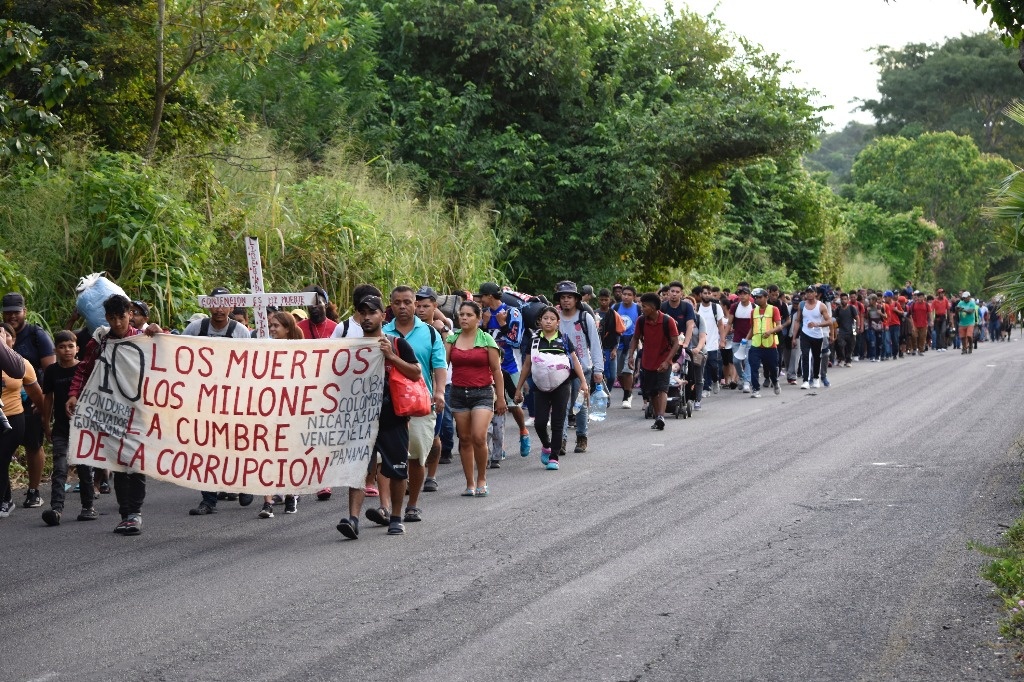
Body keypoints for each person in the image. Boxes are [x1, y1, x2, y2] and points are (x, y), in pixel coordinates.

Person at [66, 295, 162, 535]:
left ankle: (135, 513)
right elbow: (84, 369)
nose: (117, 323)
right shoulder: (100, 341)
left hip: (139, 412)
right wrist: (74, 393)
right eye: (112, 318)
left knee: (136, 462)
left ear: (130, 314)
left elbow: (170, 357)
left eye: (122, 317)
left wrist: (161, 333)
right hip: (111, 411)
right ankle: (125, 513)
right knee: (118, 462)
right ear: (106, 318)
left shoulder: (144, 338)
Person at [336, 295, 421, 538]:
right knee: (359, 469)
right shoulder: (352, 348)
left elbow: (416, 373)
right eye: (362, 313)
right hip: (361, 418)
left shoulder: (396, 343)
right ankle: (353, 519)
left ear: (383, 316)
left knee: (397, 469)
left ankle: (396, 517)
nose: (366, 317)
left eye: (372, 312)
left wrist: (391, 357)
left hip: (392, 416)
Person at [184, 287, 254, 516]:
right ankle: (208, 499)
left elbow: (253, 365)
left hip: (234, 399)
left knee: (237, 444)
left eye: (224, 303)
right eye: (215, 303)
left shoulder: (240, 331)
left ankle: (244, 483)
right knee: (206, 448)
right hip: (204, 399)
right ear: (207, 305)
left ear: (232, 307)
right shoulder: (196, 329)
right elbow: (178, 354)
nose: (219, 308)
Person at [382, 285, 447, 524]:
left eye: (407, 302)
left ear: (414, 304)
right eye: (397, 302)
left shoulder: (429, 333)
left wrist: (439, 392)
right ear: (390, 305)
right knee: (384, 459)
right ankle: (385, 507)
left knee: (417, 456)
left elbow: (439, 366)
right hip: (388, 406)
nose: (402, 307)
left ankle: (412, 504)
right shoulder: (382, 332)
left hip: (421, 403)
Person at [514, 306, 587, 471]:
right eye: (545, 318)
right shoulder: (533, 341)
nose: (548, 321)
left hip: (562, 385)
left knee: (557, 422)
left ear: (557, 322)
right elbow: (527, 365)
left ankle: (554, 456)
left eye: (552, 319)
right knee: (539, 422)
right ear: (540, 321)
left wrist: (583, 382)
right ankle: (546, 445)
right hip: (540, 387)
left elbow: (575, 362)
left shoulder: (565, 339)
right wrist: (519, 388)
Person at [445, 300, 506, 497]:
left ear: (479, 319)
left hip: (483, 393)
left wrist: (501, 398)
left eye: (469, 315)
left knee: (479, 437)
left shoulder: (487, 340)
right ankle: (470, 482)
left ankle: (482, 479)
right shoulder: (452, 340)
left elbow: (497, 371)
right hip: (458, 393)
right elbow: (441, 366)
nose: (464, 317)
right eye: (461, 314)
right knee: (464, 439)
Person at [2, 291, 55, 509]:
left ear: (24, 311)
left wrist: (45, 402)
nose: (12, 317)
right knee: (4, 451)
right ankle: (5, 496)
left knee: (34, 444)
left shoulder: (36, 335)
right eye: (7, 313)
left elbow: (50, 370)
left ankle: (33, 491)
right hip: (6, 402)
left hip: (32, 400)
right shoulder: (1, 334)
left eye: (16, 312)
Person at [40, 331, 96, 525]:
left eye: (70, 346)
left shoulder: (84, 369)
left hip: (83, 427)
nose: (67, 350)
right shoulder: (52, 371)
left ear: (77, 349)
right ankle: (56, 509)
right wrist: (46, 423)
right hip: (61, 428)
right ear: (55, 349)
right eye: (62, 347)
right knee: (60, 468)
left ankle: (88, 507)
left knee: (84, 467)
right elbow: (48, 398)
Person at [257, 311, 304, 519]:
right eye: (271, 325)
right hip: (268, 407)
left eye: (276, 325)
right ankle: (267, 502)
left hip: (292, 408)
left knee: (290, 453)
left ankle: (291, 493)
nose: (273, 329)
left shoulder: (302, 350)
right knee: (266, 452)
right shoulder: (265, 347)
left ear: (287, 328)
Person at [476, 282, 530, 463]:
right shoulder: (483, 314)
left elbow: (516, 341)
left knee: (514, 405)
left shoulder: (512, 312)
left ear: (490, 296)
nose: (480, 300)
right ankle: (500, 446)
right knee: (495, 406)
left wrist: (503, 324)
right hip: (488, 366)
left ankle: (523, 431)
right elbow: (478, 340)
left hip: (510, 365)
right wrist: (483, 325)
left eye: (482, 296)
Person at [0, 323, 44, 518]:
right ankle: (7, 499)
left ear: (13, 339)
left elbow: (36, 394)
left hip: (13, 418)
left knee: (1, 458)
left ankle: (4, 500)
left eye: (5, 335)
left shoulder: (21, 363)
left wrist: (45, 415)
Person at [412, 286, 453, 494]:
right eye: (417, 305)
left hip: (435, 389)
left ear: (434, 307)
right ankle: (410, 476)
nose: (420, 310)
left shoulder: (443, 329)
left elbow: (443, 361)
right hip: (410, 392)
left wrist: (443, 328)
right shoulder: (408, 329)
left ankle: (432, 475)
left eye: (426, 306)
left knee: (435, 436)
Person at [555, 281, 603, 452]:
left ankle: (582, 437)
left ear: (576, 299)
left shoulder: (585, 318)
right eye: (563, 297)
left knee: (580, 405)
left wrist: (598, 369)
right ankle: (561, 440)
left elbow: (595, 344)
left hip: (583, 368)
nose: (566, 300)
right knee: (562, 405)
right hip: (560, 368)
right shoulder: (555, 318)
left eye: (569, 297)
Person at [627, 293, 679, 430]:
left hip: (663, 360)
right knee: (651, 391)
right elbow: (635, 338)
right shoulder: (641, 321)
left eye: (643, 306)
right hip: (647, 360)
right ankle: (658, 417)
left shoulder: (668, 321)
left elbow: (676, 344)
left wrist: (668, 361)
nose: (641, 308)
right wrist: (631, 355)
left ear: (653, 307)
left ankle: (661, 416)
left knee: (662, 388)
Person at [790, 286, 831, 389]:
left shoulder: (821, 306)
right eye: (807, 292)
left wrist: (817, 324)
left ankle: (816, 379)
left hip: (817, 335)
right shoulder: (802, 305)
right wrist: (794, 337)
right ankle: (805, 380)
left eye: (811, 292)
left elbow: (829, 321)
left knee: (816, 357)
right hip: (805, 333)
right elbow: (798, 321)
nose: (809, 294)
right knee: (805, 356)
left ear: (815, 293)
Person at [746, 289, 782, 398]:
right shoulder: (753, 311)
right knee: (754, 367)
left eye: (760, 297)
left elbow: (779, 326)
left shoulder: (773, 309)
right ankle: (756, 389)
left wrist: (770, 331)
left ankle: (775, 382)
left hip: (770, 345)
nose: (757, 299)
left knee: (772, 367)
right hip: (756, 344)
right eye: (756, 298)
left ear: (766, 297)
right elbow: (752, 328)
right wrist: (746, 340)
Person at [612, 286, 640, 408]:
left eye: (629, 294)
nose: (626, 296)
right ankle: (627, 390)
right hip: (618, 343)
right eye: (624, 294)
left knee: (627, 370)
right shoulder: (616, 308)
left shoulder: (638, 309)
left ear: (634, 296)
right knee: (618, 373)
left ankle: (627, 396)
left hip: (632, 343)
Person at [724, 286, 754, 393]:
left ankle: (746, 382)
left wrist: (747, 338)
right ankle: (741, 377)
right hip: (737, 338)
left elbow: (754, 325)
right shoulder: (734, 307)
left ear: (749, 295)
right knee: (736, 361)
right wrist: (723, 338)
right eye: (740, 294)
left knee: (747, 360)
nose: (742, 296)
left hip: (750, 338)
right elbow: (729, 323)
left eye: (744, 294)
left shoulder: (754, 307)